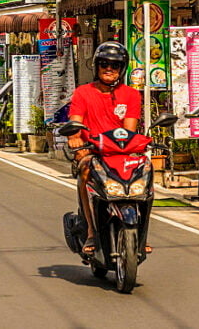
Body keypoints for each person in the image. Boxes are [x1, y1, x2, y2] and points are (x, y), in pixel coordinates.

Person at [67, 42, 142, 255]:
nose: (109, 69)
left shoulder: (131, 95)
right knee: (85, 171)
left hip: (119, 154)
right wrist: (75, 139)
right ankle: (91, 231)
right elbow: (75, 122)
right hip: (91, 152)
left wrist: (134, 147)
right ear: (97, 66)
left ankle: (141, 233)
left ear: (122, 68)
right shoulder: (82, 93)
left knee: (146, 171)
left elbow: (129, 131)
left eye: (115, 65)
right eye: (104, 64)